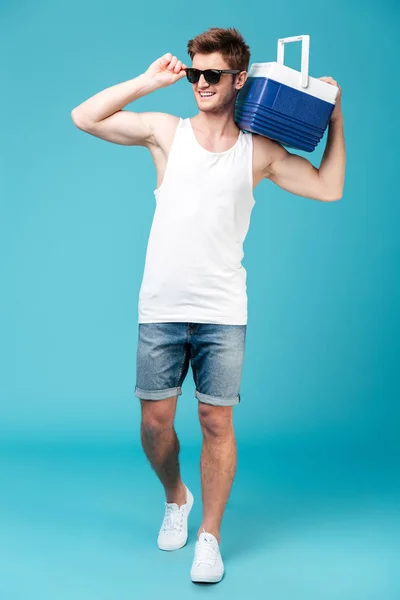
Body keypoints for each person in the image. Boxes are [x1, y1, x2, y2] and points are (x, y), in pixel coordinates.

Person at [71, 27, 345, 584]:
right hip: (161, 305)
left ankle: (209, 537)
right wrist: (150, 81)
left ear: (239, 79)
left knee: (216, 422)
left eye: (211, 74)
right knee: (154, 424)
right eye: (194, 72)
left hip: (223, 310)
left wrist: (335, 118)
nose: (199, 82)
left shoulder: (260, 151)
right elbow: (85, 116)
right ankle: (177, 496)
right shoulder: (166, 133)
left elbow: (328, 187)